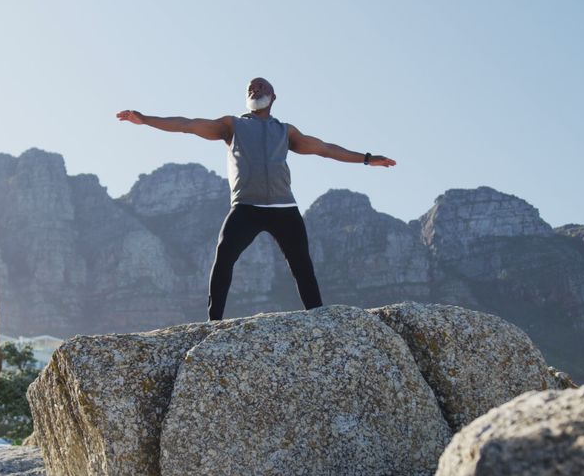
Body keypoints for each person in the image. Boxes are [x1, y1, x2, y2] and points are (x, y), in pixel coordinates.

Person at [117, 77, 397, 320]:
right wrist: (145, 120)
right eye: (250, 88)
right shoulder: (232, 126)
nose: (255, 88)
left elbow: (324, 149)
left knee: (303, 266)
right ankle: (213, 323)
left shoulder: (285, 131)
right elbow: (187, 125)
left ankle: (318, 318)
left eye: (261, 86)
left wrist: (367, 159)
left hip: (284, 208)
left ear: (273, 96)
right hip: (246, 208)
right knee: (223, 258)